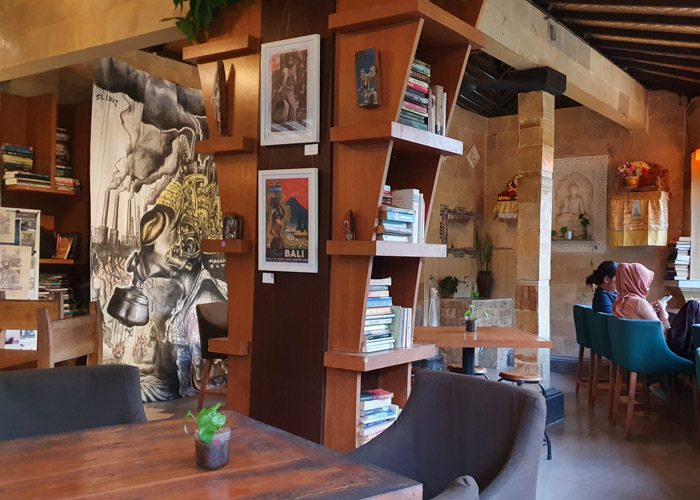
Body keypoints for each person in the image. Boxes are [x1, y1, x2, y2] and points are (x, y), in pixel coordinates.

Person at [612, 262, 699, 361]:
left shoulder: (619, 301)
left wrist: (650, 309)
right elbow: (664, 334)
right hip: (657, 350)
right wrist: (663, 312)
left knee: (691, 309)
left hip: (635, 349)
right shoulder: (638, 302)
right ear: (636, 282)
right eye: (645, 282)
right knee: (693, 306)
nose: (647, 286)